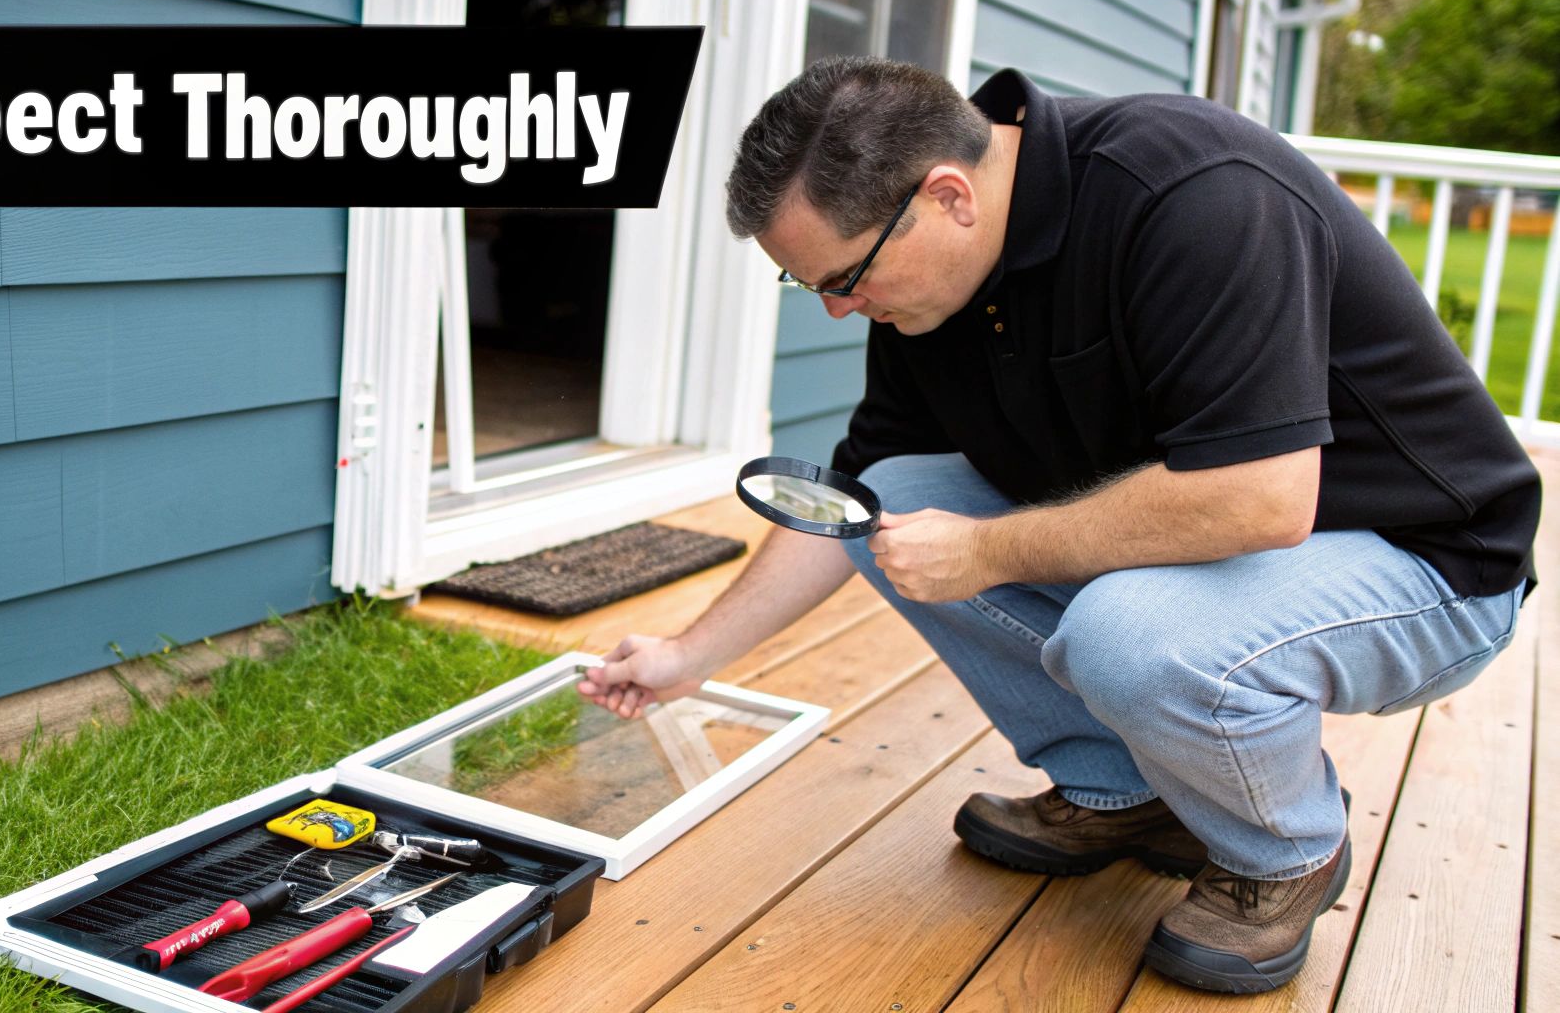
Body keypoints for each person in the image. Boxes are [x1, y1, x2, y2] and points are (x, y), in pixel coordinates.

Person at [576, 56, 1540, 994]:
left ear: (949, 195)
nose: (837, 311)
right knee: (898, 503)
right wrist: (688, 656)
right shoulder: (928, 285)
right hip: (1243, 543)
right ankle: (1131, 793)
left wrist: (988, 549)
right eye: (810, 287)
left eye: (845, 276)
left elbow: (1260, 498)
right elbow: (853, 495)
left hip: (1428, 565)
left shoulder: (1192, 192)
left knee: (1129, 632)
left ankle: (1284, 850)